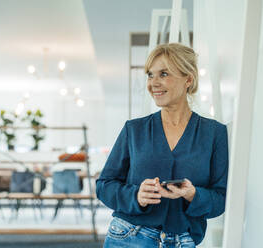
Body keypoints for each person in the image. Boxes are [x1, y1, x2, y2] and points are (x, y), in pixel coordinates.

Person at [96, 43, 229, 248]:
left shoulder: (214, 134)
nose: (153, 83)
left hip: (183, 241)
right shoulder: (134, 129)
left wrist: (193, 194)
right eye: (150, 75)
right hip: (128, 236)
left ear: (189, 79)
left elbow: (220, 199)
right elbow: (104, 185)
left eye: (164, 74)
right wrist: (136, 196)